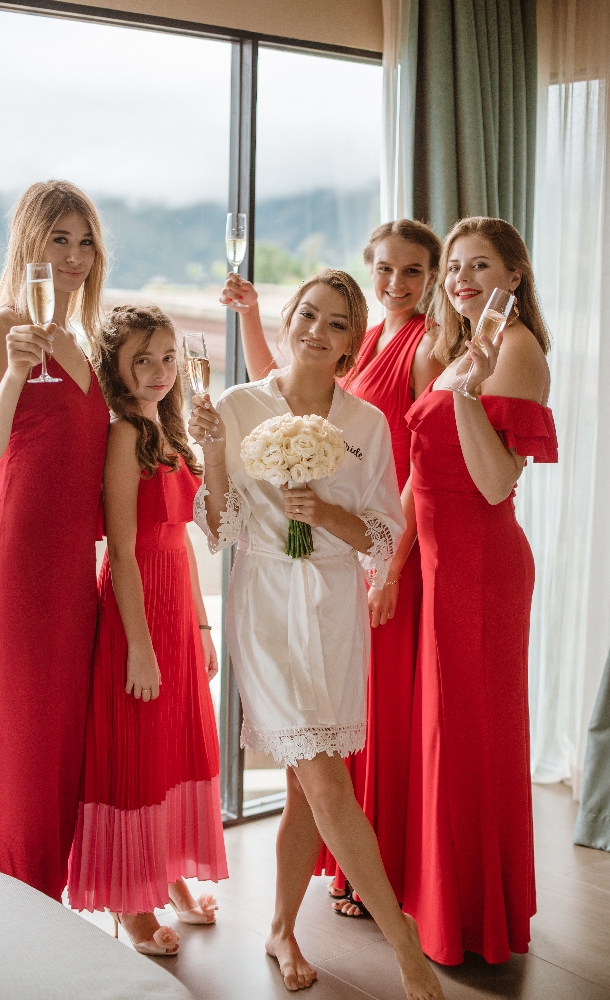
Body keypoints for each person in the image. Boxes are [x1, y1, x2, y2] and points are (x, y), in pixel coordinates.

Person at [190, 269, 445, 999]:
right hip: (267, 603)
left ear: (350, 343)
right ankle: (405, 946)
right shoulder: (237, 406)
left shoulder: (366, 424)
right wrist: (213, 451)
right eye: (307, 314)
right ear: (288, 319)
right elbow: (221, 528)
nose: (316, 330)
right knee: (327, 778)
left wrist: (326, 514)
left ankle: (280, 928)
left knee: (310, 788)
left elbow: (385, 535)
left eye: (336, 324)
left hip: (334, 608)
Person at [403, 216, 557, 965]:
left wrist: (465, 394)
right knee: (448, 738)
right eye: (455, 266)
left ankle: (474, 919)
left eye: (480, 265)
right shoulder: (463, 348)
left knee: (470, 740)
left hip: (481, 569)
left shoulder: (515, 350)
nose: (461, 278)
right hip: (443, 566)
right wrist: (391, 557)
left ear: (513, 276)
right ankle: (449, 908)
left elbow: (495, 484)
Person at [68, 305, 227, 955]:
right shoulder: (122, 435)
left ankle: (165, 871)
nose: (159, 371)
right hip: (136, 610)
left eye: (166, 358)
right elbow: (123, 549)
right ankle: (130, 902)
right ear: (116, 367)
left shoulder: (168, 430)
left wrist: (201, 623)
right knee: (137, 749)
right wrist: (138, 645)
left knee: (170, 749)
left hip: (176, 609)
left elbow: (183, 539)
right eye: (143, 360)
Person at [0, 180, 110, 900]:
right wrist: (17, 371)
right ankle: (10, 912)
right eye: (59, 239)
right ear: (29, 242)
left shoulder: (80, 341)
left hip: (73, 575)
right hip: (20, 566)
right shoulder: (5, 327)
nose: (75, 256)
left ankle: (44, 911)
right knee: (20, 748)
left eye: (85, 242)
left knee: (58, 750)